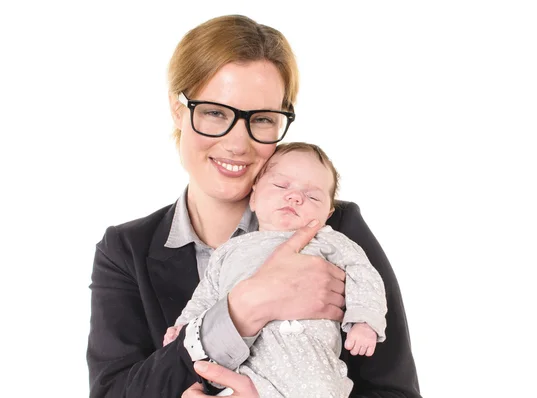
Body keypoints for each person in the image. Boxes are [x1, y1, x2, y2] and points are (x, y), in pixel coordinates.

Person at [87, 14, 421, 398]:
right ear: (178, 109)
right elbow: (112, 392)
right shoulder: (125, 249)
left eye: (261, 119)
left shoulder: (336, 226)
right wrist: (242, 309)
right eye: (215, 112)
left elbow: (394, 392)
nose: (236, 143)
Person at [163, 142, 387, 397]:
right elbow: (206, 295)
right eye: (281, 186)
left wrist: (365, 320)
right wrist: (182, 328)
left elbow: (365, 275)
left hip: (312, 370)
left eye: (313, 196)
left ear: (327, 213)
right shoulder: (230, 250)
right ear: (254, 195)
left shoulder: (329, 241)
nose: (295, 197)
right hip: (245, 369)